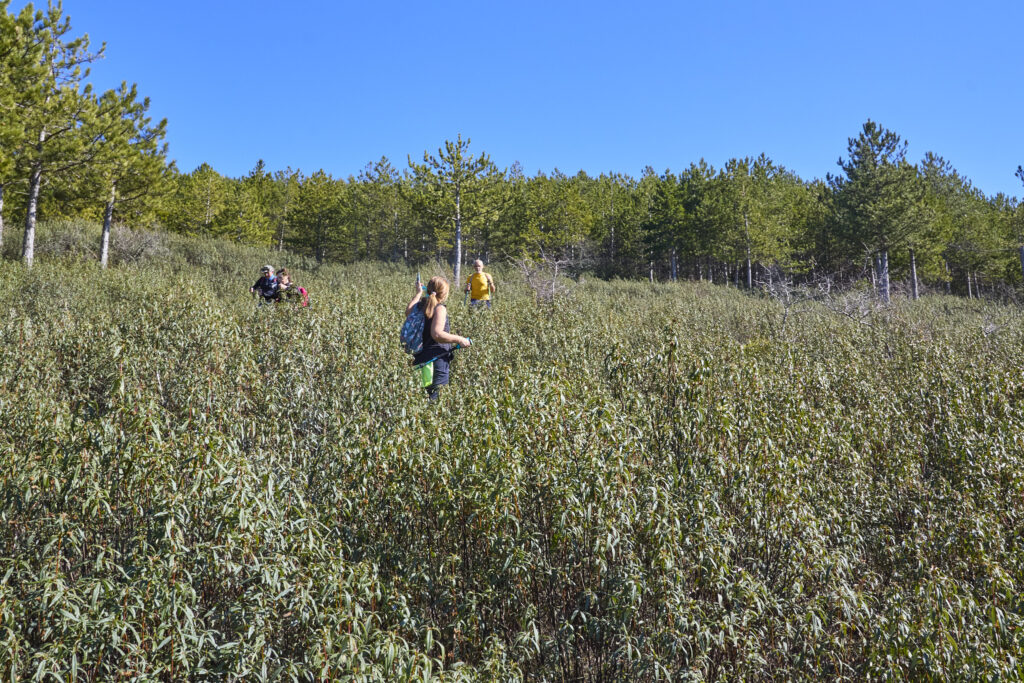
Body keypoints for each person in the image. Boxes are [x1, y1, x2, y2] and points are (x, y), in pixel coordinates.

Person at [406, 276, 471, 401]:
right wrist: (460, 339)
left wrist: (418, 293)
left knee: (421, 398)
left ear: (428, 289)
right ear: (444, 293)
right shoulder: (440, 308)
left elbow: (408, 312)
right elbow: (437, 334)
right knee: (437, 399)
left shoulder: (420, 306)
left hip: (420, 358)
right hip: (437, 360)